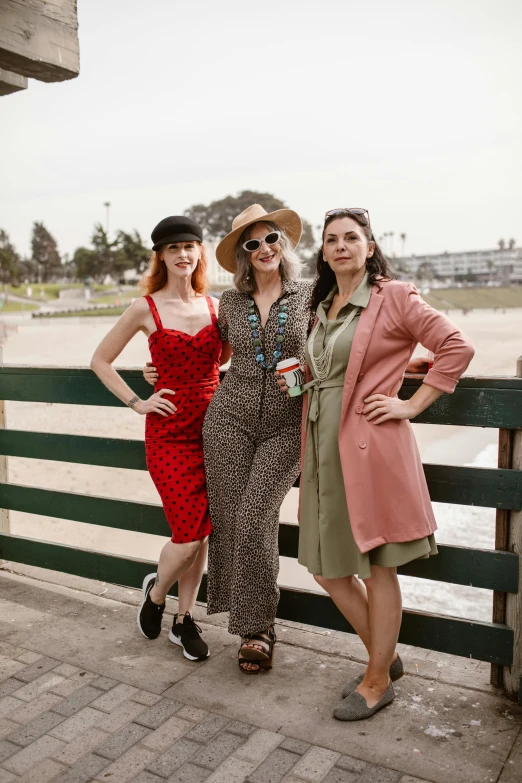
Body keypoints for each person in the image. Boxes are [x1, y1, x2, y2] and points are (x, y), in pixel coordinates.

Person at [277, 207, 474, 720]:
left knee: (378, 567)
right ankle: (384, 654)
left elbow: (456, 345)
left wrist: (410, 403)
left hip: (369, 451)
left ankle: (377, 677)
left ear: (369, 247)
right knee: (327, 569)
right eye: (331, 239)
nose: (341, 245)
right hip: (321, 446)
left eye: (351, 238)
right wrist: (301, 379)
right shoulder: (322, 304)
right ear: (322, 252)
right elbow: (347, 362)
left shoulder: (394, 295)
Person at [91, 216, 228, 661]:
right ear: (161, 256)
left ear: (199, 253)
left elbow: (226, 362)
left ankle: (184, 619)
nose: (183, 255)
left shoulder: (216, 307)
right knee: (187, 536)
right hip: (168, 434)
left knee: (203, 534)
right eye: (174, 249)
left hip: (216, 430)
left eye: (190, 246)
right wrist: (138, 400)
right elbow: (100, 361)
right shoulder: (143, 308)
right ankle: (155, 594)